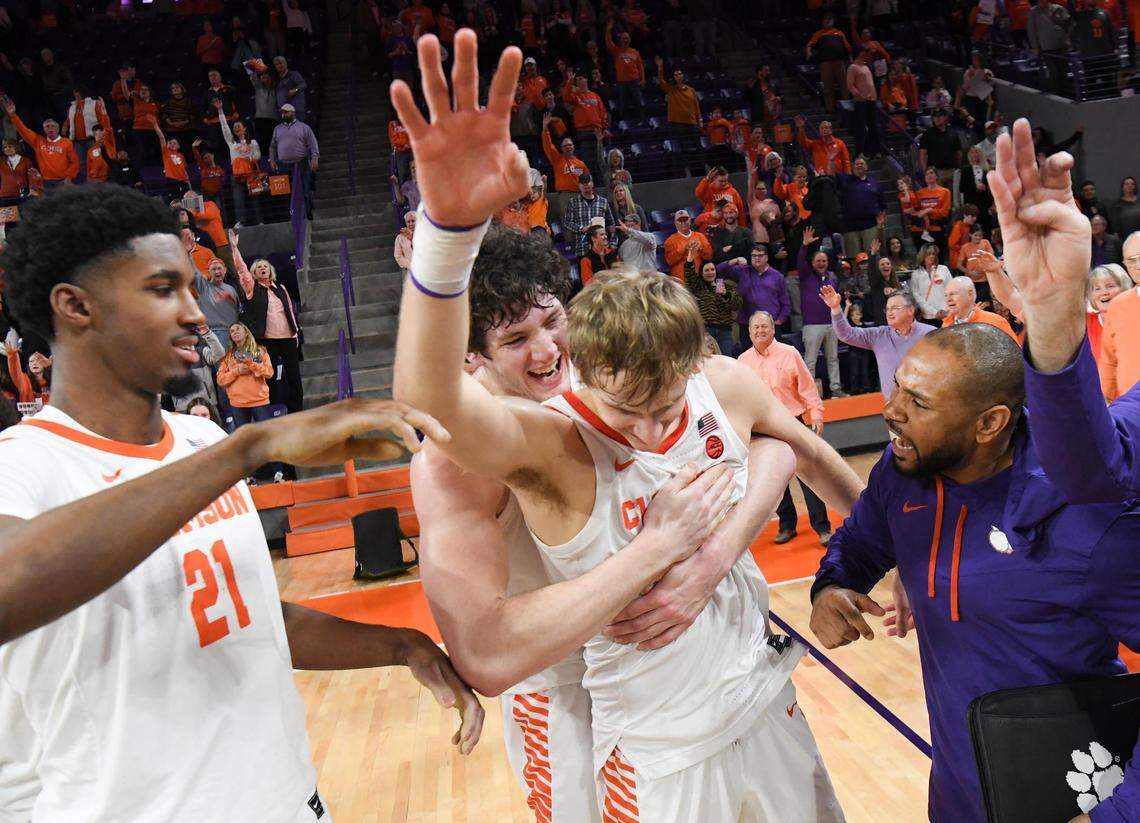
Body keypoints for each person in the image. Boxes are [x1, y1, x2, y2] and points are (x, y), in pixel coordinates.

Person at [390, 30, 863, 819]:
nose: (547, 352)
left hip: (728, 672)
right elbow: (489, 649)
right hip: (568, 687)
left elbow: (773, 441)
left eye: (551, 323)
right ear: (473, 360)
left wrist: (709, 556)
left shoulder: (629, 369)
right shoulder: (481, 454)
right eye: (514, 341)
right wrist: (447, 238)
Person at [0, 184, 483, 821]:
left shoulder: (200, 440)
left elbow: (250, 620)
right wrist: (248, 449)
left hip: (286, 800)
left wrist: (400, 645)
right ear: (75, 307)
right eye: (162, 289)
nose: (196, 314)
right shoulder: (24, 462)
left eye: (192, 289)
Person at [809, 322, 1140, 823]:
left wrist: (1121, 813)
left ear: (990, 423)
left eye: (918, 403)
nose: (892, 409)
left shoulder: (1087, 520)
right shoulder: (903, 473)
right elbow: (860, 540)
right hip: (958, 789)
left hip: (1072, 791)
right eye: (898, 384)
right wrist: (832, 585)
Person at [738, 311, 832, 545]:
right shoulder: (742, 362)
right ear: (749, 332)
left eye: (764, 327)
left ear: (773, 329)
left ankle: (822, 527)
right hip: (762, 427)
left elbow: (807, 387)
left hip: (792, 422)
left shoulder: (789, 354)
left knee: (808, 476)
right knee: (773, 480)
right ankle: (787, 525)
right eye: (755, 327)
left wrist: (816, 413)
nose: (760, 331)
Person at [232, 233, 304, 415]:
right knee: (268, 377)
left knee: (294, 377)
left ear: (270, 271)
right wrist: (234, 248)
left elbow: (289, 310)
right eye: (259, 267)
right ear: (254, 273)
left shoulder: (281, 288)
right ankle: (271, 411)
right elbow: (241, 270)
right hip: (267, 340)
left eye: (265, 266)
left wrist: (295, 334)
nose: (263, 268)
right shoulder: (252, 288)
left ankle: (296, 410)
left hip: (287, 337)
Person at [823, 284, 932, 398]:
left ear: (911, 310)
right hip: (893, 408)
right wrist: (835, 308)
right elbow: (847, 334)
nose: (889, 313)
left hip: (926, 406)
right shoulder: (879, 336)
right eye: (888, 309)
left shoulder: (931, 334)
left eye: (895, 308)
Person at [798, 230, 847, 397]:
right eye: (818, 261)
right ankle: (809, 393)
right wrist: (804, 245)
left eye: (824, 261)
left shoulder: (832, 278)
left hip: (831, 324)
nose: (821, 263)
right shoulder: (805, 276)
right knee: (810, 361)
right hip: (812, 325)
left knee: (833, 359)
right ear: (812, 263)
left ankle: (836, 388)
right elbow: (800, 261)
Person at [716, 245, 791, 344]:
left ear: (767, 258)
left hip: (770, 324)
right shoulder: (743, 271)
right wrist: (735, 260)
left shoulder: (777, 276)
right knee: (747, 357)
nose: (756, 258)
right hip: (747, 325)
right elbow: (719, 270)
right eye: (754, 255)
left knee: (772, 357)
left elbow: (785, 302)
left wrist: (780, 321)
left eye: (760, 255)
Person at [2, 101, 78, 188]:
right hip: (46, 182)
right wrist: (13, 115)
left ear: (58, 128)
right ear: (44, 130)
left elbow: (74, 162)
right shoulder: (38, 141)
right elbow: (23, 130)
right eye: (47, 126)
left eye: (53, 126)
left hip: (64, 181)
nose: (50, 128)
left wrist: (69, 177)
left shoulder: (67, 142)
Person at [686, 254, 743, 357]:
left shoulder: (725, 286)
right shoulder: (698, 287)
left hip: (724, 330)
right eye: (706, 270)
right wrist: (690, 258)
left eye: (712, 269)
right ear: (701, 273)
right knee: (707, 359)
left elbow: (737, 305)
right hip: (706, 330)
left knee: (726, 359)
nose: (710, 272)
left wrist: (725, 295)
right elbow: (689, 275)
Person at [269, 103, 318, 220]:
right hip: (283, 165)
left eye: (286, 112)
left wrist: (315, 158)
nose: (283, 114)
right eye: (282, 112)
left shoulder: (304, 127)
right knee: (285, 193)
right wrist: (272, 160)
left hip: (301, 162)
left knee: (304, 190)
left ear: (293, 112)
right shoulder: (277, 129)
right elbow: (272, 146)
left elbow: (313, 144)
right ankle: (289, 217)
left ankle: (307, 214)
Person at [217, 103, 263, 226]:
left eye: (238, 126)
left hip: (251, 174)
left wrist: (247, 158)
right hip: (236, 176)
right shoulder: (232, 143)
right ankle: (240, 222)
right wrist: (220, 110)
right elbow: (224, 127)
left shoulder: (252, 142)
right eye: (235, 127)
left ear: (244, 128)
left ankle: (259, 221)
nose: (236, 128)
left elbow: (258, 155)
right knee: (238, 200)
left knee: (255, 198)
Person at [942, 275, 1018, 342]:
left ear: (970, 294)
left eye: (953, 294)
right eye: (945, 295)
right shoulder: (946, 325)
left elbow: (1015, 353)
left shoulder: (995, 322)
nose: (948, 299)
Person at [838, 155, 887, 256]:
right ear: (852, 167)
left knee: (873, 255)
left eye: (862, 163)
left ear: (867, 167)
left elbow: (883, 204)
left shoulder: (874, 183)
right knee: (853, 258)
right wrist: (831, 160)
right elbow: (830, 175)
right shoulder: (845, 180)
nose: (859, 165)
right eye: (856, 164)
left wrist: (881, 223)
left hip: (870, 225)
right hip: (849, 227)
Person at [654, 57, 702, 161]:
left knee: (698, 145)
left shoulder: (691, 90)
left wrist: (700, 120)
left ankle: (701, 167)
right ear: (674, 77)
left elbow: (696, 106)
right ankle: (687, 169)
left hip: (692, 122)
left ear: (683, 75)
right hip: (677, 123)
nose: (678, 76)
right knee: (683, 147)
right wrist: (660, 68)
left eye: (680, 74)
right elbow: (661, 81)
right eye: (676, 74)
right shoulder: (671, 90)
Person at [1083, 264, 1133, 362]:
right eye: (1097, 289)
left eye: (1110, 286)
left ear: (1124, 289)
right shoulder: (1087, 322)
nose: (1104, 292)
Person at [805, 13, 852, 113]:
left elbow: (847, 47)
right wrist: (808, 52)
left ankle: (846, 107)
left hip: (839, 62)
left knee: (844, 85)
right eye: (826, 19)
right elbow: (810, 44)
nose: (828, 21)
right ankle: (830, 109)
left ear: (833, 21)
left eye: (830, 19)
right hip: (825, 63)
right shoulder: (819, 34)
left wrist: (851, 59)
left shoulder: (839, 33)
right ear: (822, 22)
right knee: (828, 87)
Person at [560, 175, 613, 260]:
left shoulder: (603, 202)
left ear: (592, 184)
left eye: (588, 182)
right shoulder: (573, 202)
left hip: (601, 247)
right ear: (579, 186)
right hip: (582, 248)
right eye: (582, 183)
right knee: (584, 273)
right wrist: (581, 229)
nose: (585, 185)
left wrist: (612, 242)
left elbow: (610, 223)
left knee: (602, 273)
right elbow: (567, 222)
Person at [604, 21, 645, 123]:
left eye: (627, 38)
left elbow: (640, 67)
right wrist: (608, 30)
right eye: (623, 38)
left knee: (638, 103)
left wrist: (643, 79)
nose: (625, 40)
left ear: (630, 40)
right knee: (623, 105)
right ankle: (624, 123)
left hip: (634, 81)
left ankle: (641, 122)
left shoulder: (635, 52)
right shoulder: (616, 51)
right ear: (620, 40)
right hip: (622, 82)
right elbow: (608, 42)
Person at [846, 48, 881, 158]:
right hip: (861, 101)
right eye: (864, 53)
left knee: (873, 127)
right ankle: (860, 152)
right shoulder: (853, 67)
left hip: (871, 100)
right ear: (860, 53)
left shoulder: (866, 66)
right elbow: (850, 85)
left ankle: (874, 151)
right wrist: (858, 95)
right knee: (861, 127)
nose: (866, 55)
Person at [663, 209, 712, 280]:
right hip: (681, 278)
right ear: (675, 223)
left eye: (685, 219)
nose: (683, 222)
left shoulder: (700, 236)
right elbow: (669, 261)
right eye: (680, 220)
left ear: (690, 220)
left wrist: (700, 248)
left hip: (700, 276)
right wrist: (684, 248)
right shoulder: (670, 241)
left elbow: (709, 256)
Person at [910, 244, 951, 324]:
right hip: (928, 317)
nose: (932, 256)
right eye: (929, 254)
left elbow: (951, 289)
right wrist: (934, 312)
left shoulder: (943, 269)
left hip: (946, 314)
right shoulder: (916, 274)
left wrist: (946, 310)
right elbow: (917, 297)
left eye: (934, 254)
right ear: (923, 256)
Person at [273, 56, 308, 122]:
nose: (279, 66)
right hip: (284, 112)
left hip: (296, 111)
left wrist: (295, 90)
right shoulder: (277, 79)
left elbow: (303, 84)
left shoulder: (294, 74)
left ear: (285, 64)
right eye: (276, 64)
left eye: (280, 63)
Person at [395, 211, 415, 276]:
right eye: (408, 222)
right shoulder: (400, 238)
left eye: (413, 221)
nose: (411, 224)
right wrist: (410, 265)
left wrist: (412, 238)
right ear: (405, 223)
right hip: (411, 271)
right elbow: (398, 256)